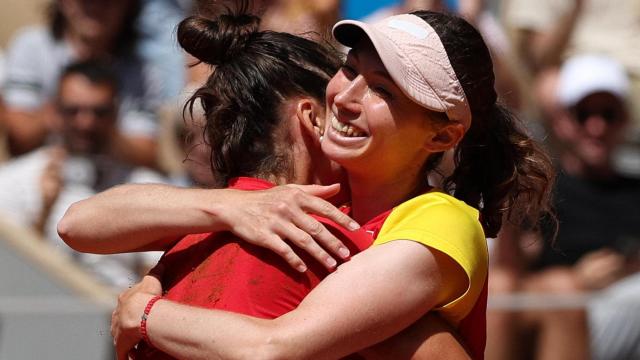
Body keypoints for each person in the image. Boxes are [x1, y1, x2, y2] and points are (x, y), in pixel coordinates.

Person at [92, 9, 554, 360]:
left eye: (383, 91)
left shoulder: (443, 222)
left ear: (443, 134)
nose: (347, 98)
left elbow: (273, 349)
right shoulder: (302, 205)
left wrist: (147, 312)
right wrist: (227, 208)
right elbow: (81, 223)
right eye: (350, 70)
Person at [487, 54, 640, 360]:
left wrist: (621, 271)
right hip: (552, 307)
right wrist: (579, 282)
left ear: (623, 120)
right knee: (547, 288)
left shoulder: (634, 190)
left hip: (616, 306)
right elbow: (510, 269)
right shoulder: (540, 184)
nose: (596, 127)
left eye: (608, 114)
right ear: (563, 120)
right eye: (584, 114)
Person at [0, 60, 163, 288]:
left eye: (99, 112)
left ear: (115, 114)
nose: (85, 122)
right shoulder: (14, 181)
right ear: (52, 111)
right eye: (72, 110)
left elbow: (158, 275)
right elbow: (12, 279)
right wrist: (44, 212)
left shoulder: (145, 186)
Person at [1, 0, 162, 167]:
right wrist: (66, 113)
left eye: (109, 2)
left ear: (128, 6)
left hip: (112, 183)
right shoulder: (32, 47)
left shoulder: (142, 69)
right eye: (85, 1)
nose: (96, 7)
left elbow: (147, 153)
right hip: (45, 174)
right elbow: (18, 137)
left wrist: (96, 125)